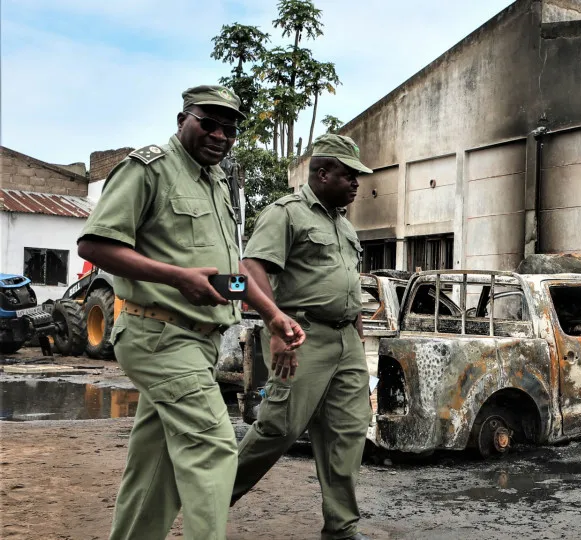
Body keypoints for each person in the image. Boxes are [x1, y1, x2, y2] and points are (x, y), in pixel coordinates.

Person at [76, 84, 305, 540]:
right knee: (215, 449)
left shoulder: (217, 183)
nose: (220, 134)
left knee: (154, 470)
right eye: (209, 122)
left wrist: (272, 314)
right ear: (183, 119)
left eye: (230, 128)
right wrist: (176, 277)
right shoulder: (149, 169)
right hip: (158, 334)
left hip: (198, 343)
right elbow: (94, 244)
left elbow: (228, 274)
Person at [231, 134, 373, 540]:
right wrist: (276, 324)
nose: (356, 184)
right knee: (280, 428)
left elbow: (350, 288)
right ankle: (212, 496)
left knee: (347, 432)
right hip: (300, 334)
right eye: (349, 176)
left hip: (345, 339)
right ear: (323, 172)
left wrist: (358, 344)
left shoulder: (343, 224)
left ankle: (341, 527)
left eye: (357, 177)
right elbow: (250, 269)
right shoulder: (286, 213)